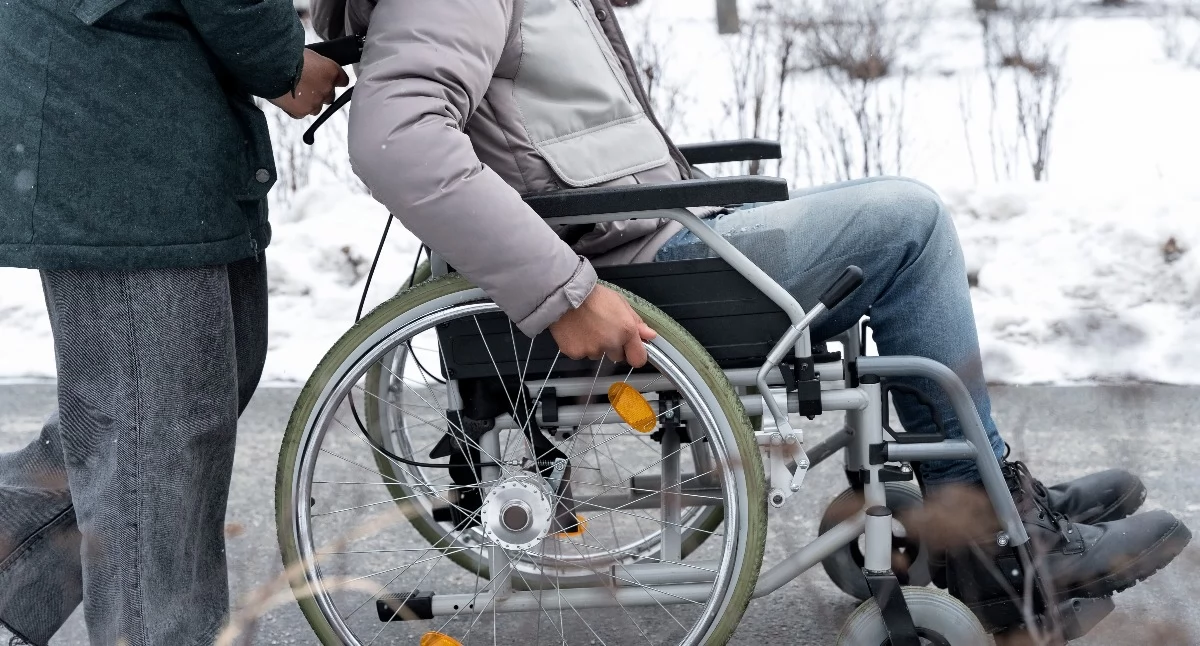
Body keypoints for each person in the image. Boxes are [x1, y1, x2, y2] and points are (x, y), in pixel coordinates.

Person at [331, 0, 1190, 629]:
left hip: (640, 241)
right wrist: (564, 292)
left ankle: (989, 496)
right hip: (625, 269)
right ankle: (997, 536)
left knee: (889, 229)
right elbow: (397, 137)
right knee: (909, 221)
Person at [0, 0, 347, 644]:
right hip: (115, 105)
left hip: (144, 92)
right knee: (152, 434)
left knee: (179, 398)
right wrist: (282, 62)